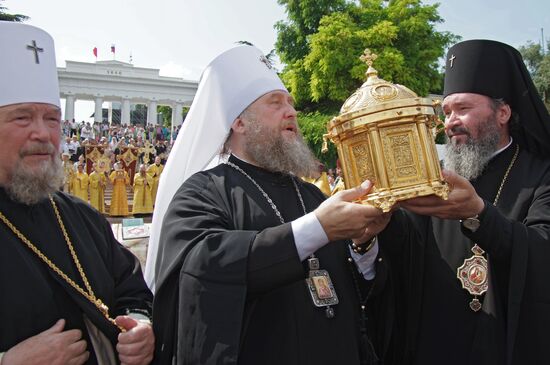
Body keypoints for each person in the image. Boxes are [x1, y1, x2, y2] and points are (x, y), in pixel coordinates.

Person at [148, 45, 394, 365]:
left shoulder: (312, 196)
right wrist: (316, 229)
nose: (291, 112)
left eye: (290, 103)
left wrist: (363, 245)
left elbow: (353, 293)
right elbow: (204, 270)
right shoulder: (200, 194)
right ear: (239, 123)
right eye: (275, 103)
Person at [379, 40, 550, 364]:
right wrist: (376, 228)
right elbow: (408, 250)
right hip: (434, 345)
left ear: (503, 112)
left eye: (463, 109)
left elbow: (542, 250)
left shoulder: (541, 174)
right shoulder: (437, 178)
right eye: (446, 112)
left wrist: (479, 215)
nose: (450, 122)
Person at [0, 21, 154, 364]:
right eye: (22, 118)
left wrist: (141, 324)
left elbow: (131, 289)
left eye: (52, 119)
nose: (43, 133)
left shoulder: (82, 216)